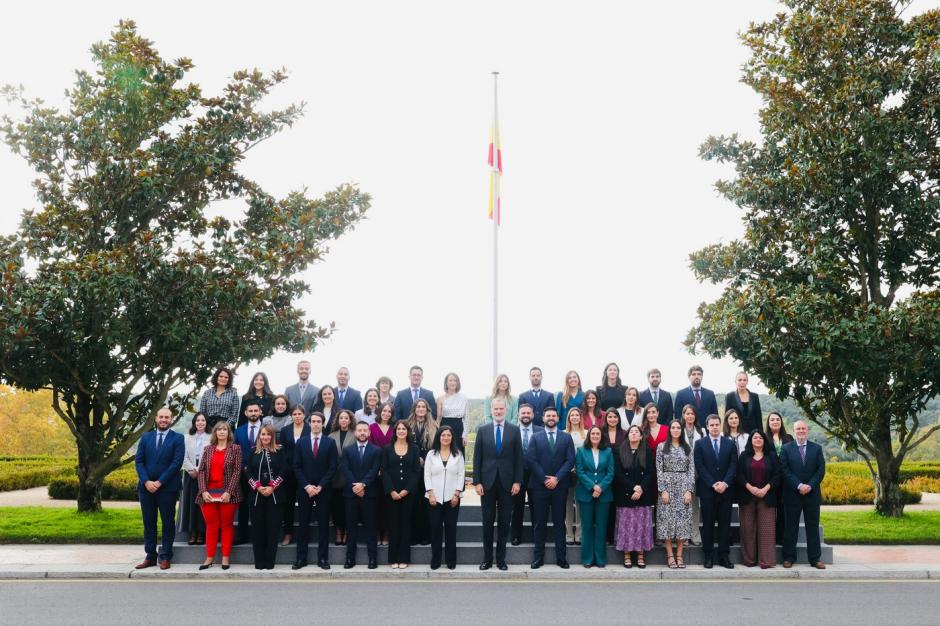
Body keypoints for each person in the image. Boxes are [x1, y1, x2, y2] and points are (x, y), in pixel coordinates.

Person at [473, 397, 523, 571]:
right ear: (492, 410)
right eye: (496, 409)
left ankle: (501, 560)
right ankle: (487, 559)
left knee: (504, 522)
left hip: (508, 484)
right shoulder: (483, 430)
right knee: (487, 522)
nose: (499, 412)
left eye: (501, 409)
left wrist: (517, 481)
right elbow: (477, 458)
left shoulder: (514, 431)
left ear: (506, 410)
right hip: (486, 483)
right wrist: (477, 482)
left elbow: (519, 459)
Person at [134, 407, 185, 570]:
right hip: (146, 488)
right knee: (149, 523)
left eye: (167, 417)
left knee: (168, 523)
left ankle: (165, 556)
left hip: (167, 488)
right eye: (161, 417)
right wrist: (147, 481)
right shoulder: (145, 437)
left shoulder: (178, 438)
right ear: (156, 418)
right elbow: (139, 461)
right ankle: (150, 556)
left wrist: (159, 482)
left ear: (171, 420)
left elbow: (176, 463)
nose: (164, 420)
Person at [527, 406, 575, 569]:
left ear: (558, 418)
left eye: (553, 415)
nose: (551, 418)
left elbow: (570, 460)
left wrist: (557, 478)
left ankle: (561, 558)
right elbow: (531, 460)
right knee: (539, 523)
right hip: (540, 486)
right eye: (548, 415)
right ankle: (538, 557)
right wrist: (545, 479)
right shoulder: (535, 437)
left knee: (559, 523)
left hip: (560, 486)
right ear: (543, 418)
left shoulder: (566, 437)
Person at [292, 412, 337, 570]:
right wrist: (307, 486)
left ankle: (323, 559)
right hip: (305, 490)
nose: (316, 424)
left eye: (319, 421)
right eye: (313, 421)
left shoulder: (330, 443)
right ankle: (300, 558)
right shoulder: (301, 442)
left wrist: (320, 486)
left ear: (323, 424)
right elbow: (296, 466)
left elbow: (333, 467)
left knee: (324, 525)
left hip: (323, 490)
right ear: (309, 423)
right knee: (303, 524)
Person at [779, 420, 826, 569]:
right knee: (790, 528)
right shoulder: (786, 449)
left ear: (807, 431)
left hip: (812, 495)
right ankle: (788, 557)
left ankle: (815, 559)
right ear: (794, 431)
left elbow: (820, 470)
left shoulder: (816, 448)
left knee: (812, 528)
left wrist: (810, 486)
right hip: (792, 494)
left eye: (803, 429)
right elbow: (784, 470)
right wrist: (798, 485)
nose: (801, 431)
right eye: (798, 429)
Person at [196, 421, 242, 570]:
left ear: (229, 433)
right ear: (215, 433)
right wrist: (203, 491)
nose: (222, 432)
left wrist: (229, 491)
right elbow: (201, 471)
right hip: (208, 493)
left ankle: (225, 558)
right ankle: (209, 558)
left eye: (225, 429)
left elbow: (237, 471)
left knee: (226, 525)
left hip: (228, 494)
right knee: (211, 525)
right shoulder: (208, 449)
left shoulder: (235, 449)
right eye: (219, 430)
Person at [693, 414, 737, 569]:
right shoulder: (700, 444)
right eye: (711, 425)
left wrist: (725, 483)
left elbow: (733, 465)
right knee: (708, 524)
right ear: (707, 427)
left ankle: (724, 556)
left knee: (725, 524)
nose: (714, 427)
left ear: (720, 425)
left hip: (726, 491)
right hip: (707, 491)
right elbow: (700, 466)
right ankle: (708, 556)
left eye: (717, 424)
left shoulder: (730, 443)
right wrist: (713, 484)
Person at [340, 421, 381, 569]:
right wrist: (356, 486)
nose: (362, 433)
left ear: (369, 433)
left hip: (369, 494)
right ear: (355, 433)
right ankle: (350, 558)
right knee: (351, 528)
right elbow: (345, 469)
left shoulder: (376, 451)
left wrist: (363, 485)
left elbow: (374, 470)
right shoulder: (347, 450)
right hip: (351, 494)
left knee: (371, 527)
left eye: (365, 430)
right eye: (360, 430)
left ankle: (372, 558)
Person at [613, 424, 655, 568]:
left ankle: (641, 555)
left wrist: (641, 488)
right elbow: (618, 473)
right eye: (632, 432)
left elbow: (651, 473)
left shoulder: (648, 451)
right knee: (626, 526)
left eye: (637, 432)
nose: (634, 434)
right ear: (628, 435)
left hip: (643, 495)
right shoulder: (619, 451)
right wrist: (633, 487)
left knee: (641, 526)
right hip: (625, 495)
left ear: (641, 436)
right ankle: (627, 555)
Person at [381, 421, 421, 568]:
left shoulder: (414, 449)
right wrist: (392, 491)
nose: (401, 431)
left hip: (408, 493)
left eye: (404, 429)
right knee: (393, 525)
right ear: (395, 431)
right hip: (391, 493)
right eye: (399, 428)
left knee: (405, 524)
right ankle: (393, 558)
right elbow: (383, 471)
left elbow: (416, 472)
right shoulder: (386, 449)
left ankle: (404, 558)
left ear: (408, 431)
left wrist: (405, 491)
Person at [738, 430, 780, 568]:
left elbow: (777, 475)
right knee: (748, 529)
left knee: (767, 530)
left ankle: (766, 561)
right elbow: (739, 475)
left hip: (766, 497)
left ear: (764, 440)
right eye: (755, 437)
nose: (757, 439)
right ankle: (749, 560)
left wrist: (765, 489)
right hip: (747, 497)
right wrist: (751, 488)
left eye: (760, 437)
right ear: (751, 440)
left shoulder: (772, 456)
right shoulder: (744, 456)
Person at [656, 420, 695, 569]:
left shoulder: (688, 448)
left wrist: (689, 490)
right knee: (666, 521)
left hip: (683, 486)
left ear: (682, 430)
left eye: (678, 427)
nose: (676, 430)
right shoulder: (661, 447)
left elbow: (691, 470)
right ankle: (670, 555)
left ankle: (679, 555)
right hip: (667, 487)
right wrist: (663, 490)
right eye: (673, 427)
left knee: (682, 522)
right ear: (669, 430)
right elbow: (659, 470)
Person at [247, 424, 286, 569]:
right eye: (263, 434)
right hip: (256, 496)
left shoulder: (280, 451)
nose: (266, 437)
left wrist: (272, 486)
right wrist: (258, 487)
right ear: (259, 436)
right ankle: (259, 562)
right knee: (258, 530)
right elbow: (248, 471)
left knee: (273, 529)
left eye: (268, 434)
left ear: (273, 436)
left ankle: (270, 562)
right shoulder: (253, 452)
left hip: (275, 496)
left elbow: (284, 470)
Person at [425, 425, 464, 570]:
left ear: (452, 437)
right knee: (435, 530)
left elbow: (461, 475)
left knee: (451, 530)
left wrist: (456, 494)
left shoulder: (458, 454)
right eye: (443, 435)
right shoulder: (431, 454)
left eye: (448, 435)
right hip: (433, 498)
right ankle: (435, 559)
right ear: (439, 437)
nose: (446, 438)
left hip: (452, 498)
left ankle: (450, 560)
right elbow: (426, 475)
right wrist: (431, 493)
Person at [576, 425, 615, 567]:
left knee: (601, 527)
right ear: (589, 436)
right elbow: (580, 472)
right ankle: (587, 559)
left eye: (598, 434)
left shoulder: (608, 451)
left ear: (601, 436)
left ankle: (600, 559)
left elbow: (611, 472)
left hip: (604, 495)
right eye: (593, 434)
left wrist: (601, 487)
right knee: (586, 527)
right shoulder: (581, 451)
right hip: (586, 493)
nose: (595, 436)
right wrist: (593, 486)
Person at [511, 403, 543, 545]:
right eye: (523, 413)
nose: (525, 415)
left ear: (533, 415)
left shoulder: (541, 431)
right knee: (516, 506)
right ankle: (516, 536)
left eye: (528, 413)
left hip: (536, 474)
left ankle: (537, 536)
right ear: (519, 415)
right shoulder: (512, 431)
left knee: (536, 506)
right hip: (517, 475)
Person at [406, 398, 437, 545]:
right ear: (414, 409)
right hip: (410, 469)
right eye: (418, 407)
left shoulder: (434, 426)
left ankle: (426, 535)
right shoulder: (406, 425)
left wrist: (425, 459)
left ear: (427, 409)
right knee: (412, 503)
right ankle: (412, 536)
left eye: (423, 407)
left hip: (428, 469)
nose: (420, 409)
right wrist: (414, 458)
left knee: (425, 503)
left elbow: (436, 448)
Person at [278, 404, 309, 546]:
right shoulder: (285, 431)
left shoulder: (310, 429)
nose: (297, 416)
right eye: (295, 414)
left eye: (299, 414)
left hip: (305, 471)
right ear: (291, 416)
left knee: (304, 504)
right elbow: (282, 452)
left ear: (304, 415)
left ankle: (304, 534)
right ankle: (288, 534)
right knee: (288, 504)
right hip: (289, 472)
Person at [234, 399, 263, 544]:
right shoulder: (238, 431)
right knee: (243, 505)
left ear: (260, 412)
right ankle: (242, 535)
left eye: (255, 411)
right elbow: (235, 451)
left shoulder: (267, 429)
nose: (253, 413)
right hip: (243, 473)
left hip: (264, 473)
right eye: (250, 411)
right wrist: (242, 468)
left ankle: (260, 535)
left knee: (262, 506)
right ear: (245, 413)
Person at [179, 412, 209, 546]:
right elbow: (182, 456)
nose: (200, 423)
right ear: (194, 422)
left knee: (203, 503)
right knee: (190, 503)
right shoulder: (187, 437)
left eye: (203, 420)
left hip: (205, 474)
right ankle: (192, 533)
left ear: (206, 422)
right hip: (189, 474)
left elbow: (211, 455)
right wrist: (191, 469)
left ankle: (202, 532)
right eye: (198, 420)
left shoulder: (211, 437)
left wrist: (199, 470)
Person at [328, 409, 356, 545]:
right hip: (335, 477)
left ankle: (348, 532)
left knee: (348, 507)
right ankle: (339, 532)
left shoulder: (355, 434)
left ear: (350, 420)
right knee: (337, 506)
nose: (343, 420)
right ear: (338, 420)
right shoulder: (331, 436)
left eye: (346, 418)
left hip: (350, 476)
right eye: (341, 418)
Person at [765, 410, 794, 544]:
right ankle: (769, 537)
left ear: (781, 422)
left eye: (777, 419)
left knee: (783, 509)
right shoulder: (764, 438)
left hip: (786, 479)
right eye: (772, 420)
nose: (775, 421)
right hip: (769, 479)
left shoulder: (788, 438)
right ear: (768, 422)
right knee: (770, 509)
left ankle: (781, 537)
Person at [369, 401, 395, 545]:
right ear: (379, 412)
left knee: (388, 505)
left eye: (389, 411)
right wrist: (378, 468)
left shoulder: (394, 428)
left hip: (391, 471)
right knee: (376, 505)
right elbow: (371, 449)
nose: (386, 413)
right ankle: (378, 534)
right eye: (384, 411)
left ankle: (386, 534)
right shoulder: (371, 427)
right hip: (375, 470)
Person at [680, 404, 704, 545]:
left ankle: (694, 534)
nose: (690, 416)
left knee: (694, 505)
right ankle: (683, 534)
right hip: (681, 474)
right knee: (682, 505)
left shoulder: (701, 431)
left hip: (696, 473)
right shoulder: (678, 429)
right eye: (687, 413)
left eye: (692, 414)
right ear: (683, 415)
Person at [563, 407, 586, 545]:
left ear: (580, 417)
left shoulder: (587, 434)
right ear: (569, 418)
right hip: (567, 473)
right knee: (567, 504)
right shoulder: (563, 433)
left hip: (581, 473)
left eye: (577, 415)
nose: (575, 417)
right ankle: (569, 534)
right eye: (572, 415)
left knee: (580, 504)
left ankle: (579, 534)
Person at [437, 372, 469, 453]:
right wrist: (437, 434)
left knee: (458, 454)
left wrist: (465, 435)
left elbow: (466, 418)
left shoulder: (464, 398)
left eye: (455, 380)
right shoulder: (440, 398)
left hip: (458, 429)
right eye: (450, 380)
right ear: (446, 383)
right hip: (444, 428)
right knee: (444, 454)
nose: (453, 382)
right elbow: (438, 419)